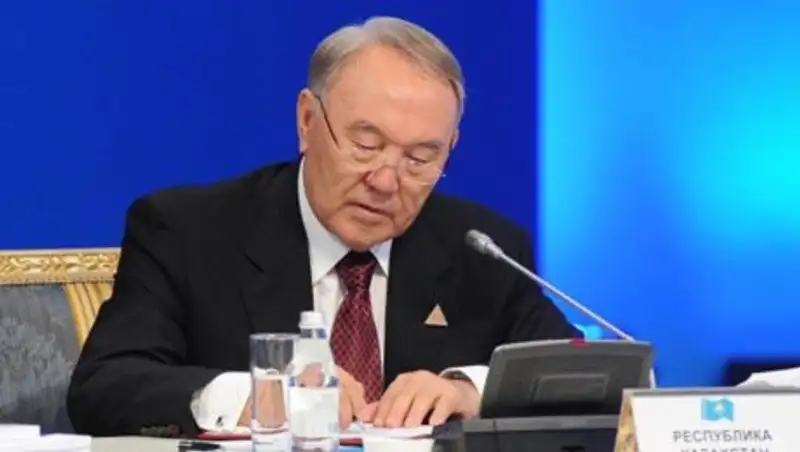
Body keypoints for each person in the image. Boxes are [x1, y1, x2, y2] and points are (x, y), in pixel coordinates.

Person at [67, 16, 580, 437]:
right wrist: (258, 396)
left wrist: (471, 390)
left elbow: (586, 375)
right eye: (366, 145)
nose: (386, 181)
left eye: (421, 159)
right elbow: (105, 387)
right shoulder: (189, 231)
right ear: (308, 122)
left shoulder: (483, 249)